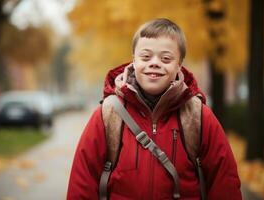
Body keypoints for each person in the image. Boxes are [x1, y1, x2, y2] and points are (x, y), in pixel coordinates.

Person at [67, 18, 242, 199]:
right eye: (146, 56)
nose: (155, 63)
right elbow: (83, 180)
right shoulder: (109, 114)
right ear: (134, 60)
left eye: (166, 58)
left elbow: (224, 182)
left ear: (179, 65)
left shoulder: (197, 115)